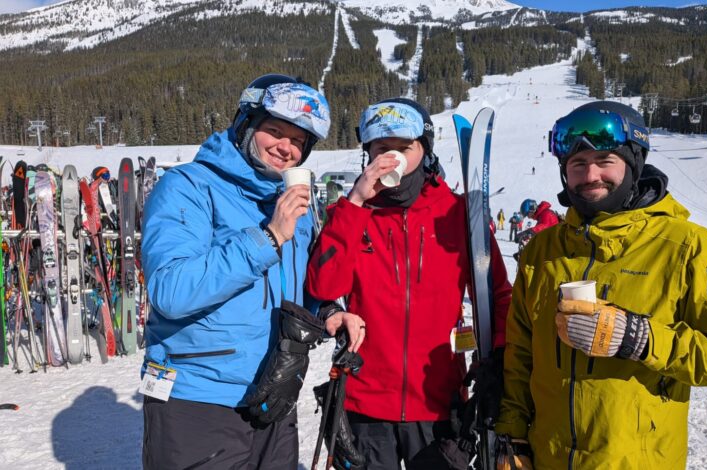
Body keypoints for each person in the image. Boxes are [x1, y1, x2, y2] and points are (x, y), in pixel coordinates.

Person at [495, 100, 707, 469]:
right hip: (549, 458)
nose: (590, 175)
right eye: (577, 164)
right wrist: (512, 437)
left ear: (634, 163)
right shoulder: (544, 251)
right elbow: (521, 355)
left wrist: (640, 339)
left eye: (605, 161)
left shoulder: (686, 246)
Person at [306, 97, 512, 469]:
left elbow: (497, 294)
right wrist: (354, 202)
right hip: (364, 404)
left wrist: (496, 358)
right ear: (367, 154)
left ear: (425, 151)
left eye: (404, 148)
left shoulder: (457, 213)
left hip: (437, 404)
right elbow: (323, 286)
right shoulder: (348, 215)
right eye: (382, 148)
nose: (392, 157)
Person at [140, 74, 333, 469]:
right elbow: (171, 290)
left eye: (298, 141)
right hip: (198, 397)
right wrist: (269, 237)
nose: (286, 148)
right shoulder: (188, 187)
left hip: (274, 389)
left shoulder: (287, 201)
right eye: (275, 131)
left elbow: (296, 286)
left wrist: (330, 311)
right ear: (246, 123)